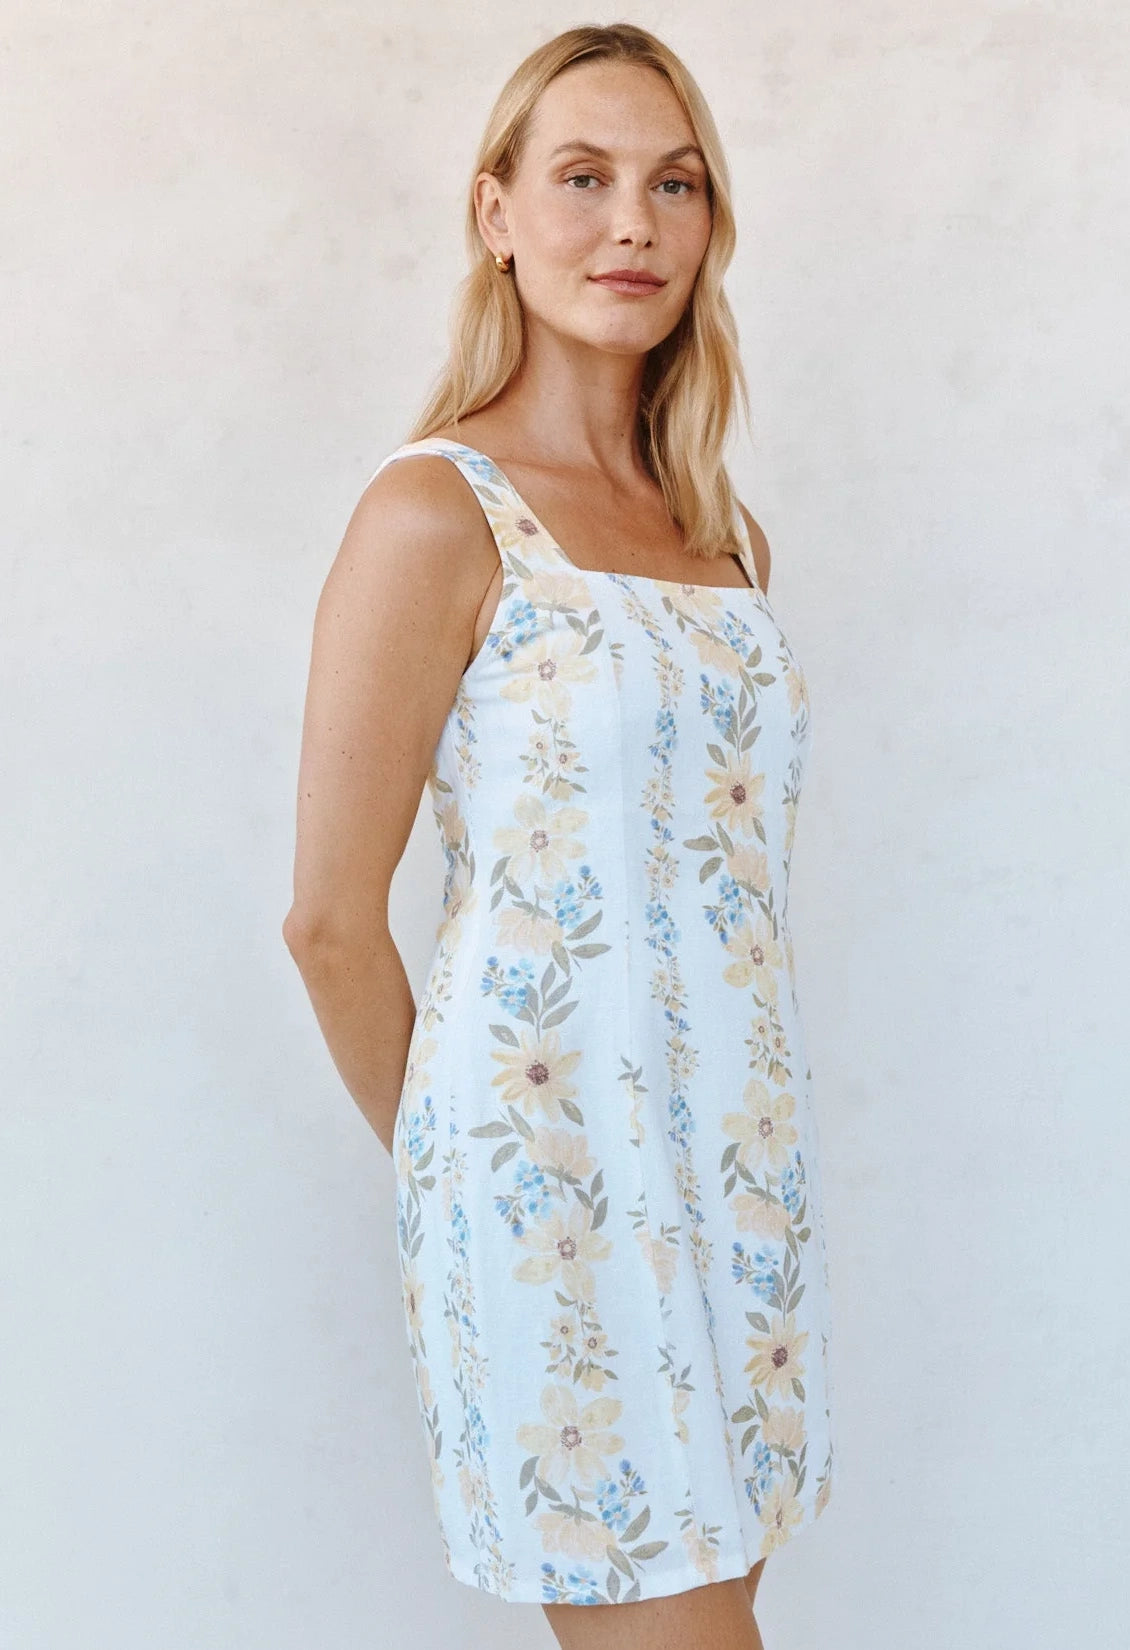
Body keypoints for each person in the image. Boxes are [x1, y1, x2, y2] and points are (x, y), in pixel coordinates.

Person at [283, 23, 834, 1650]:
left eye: (675, 184)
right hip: (556, 1194)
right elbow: (328, 920)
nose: (632, 225)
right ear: (495, 213)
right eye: (582, 178)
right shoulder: (434, 513)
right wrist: (482, 1178)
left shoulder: (715, 535)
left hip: (739, 1178)